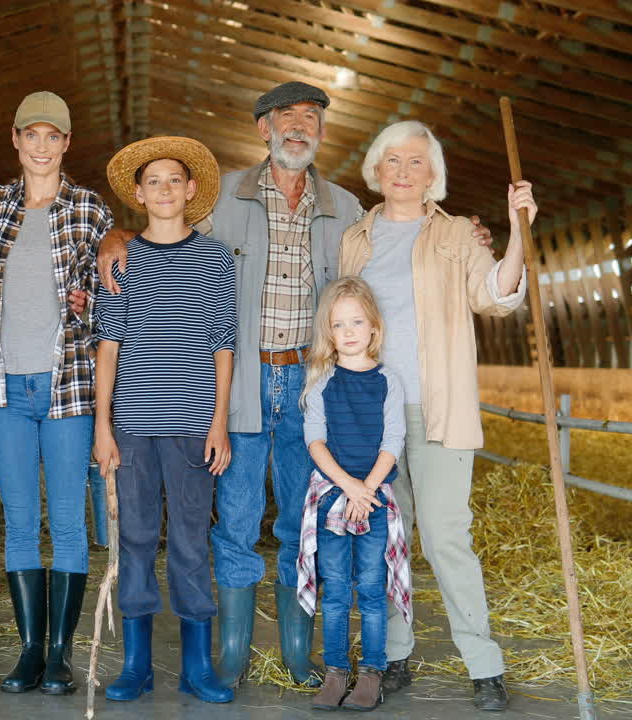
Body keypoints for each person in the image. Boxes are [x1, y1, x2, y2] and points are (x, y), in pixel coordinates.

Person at [97, 82, 493, 690]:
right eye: (286, 116)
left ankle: (297, 652)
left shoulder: (347, 210)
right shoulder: (220, 197)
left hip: (312, 386)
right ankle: (230, 654)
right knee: (234, 517)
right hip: (238, 379)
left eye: (312, 117)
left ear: (323, 134)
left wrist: (471, 234)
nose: (299, 126)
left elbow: (397, 251)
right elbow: (161, 228)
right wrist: (112, 237)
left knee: (300, 520)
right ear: (263, 128)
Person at [340, 119, 535, 711]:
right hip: (371, 413)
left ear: (434, 176)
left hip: (439, 408)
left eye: (416, 162)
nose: (403, 171)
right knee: (386, 536)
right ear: (376, 169)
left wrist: (518, 232)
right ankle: (392, 655)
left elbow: (496, 298)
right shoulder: (355, 238)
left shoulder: (457, 237)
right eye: (393, 160)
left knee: (447, 536)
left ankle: (482, 662)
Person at [93, 136, 237, 704]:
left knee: (190, 538)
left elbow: (223, 345)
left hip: (193, 421)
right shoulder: (122, 259)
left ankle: (198, 666)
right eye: (153, 181)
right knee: (132, 536)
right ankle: (136, 664)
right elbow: (109, 344)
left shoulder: (215, 258)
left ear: (192, 189)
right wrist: (103, 426)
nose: (165, 190)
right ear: (138, 193)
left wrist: (219, 423)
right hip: (131, 421)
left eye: (175, 180)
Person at [0, 91, 113, 696]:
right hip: (7, 387)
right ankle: (28, 650)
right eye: (30, 135)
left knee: (65, 522)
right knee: (18, 522)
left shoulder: (89, 210)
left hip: (68, 388)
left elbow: (116, 284)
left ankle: (60, 652)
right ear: (15, 139)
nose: (41, 146)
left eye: (52, 137)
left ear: (66, 143)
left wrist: (93, 295)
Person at [293, 276, 412, 712]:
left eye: (356, 322)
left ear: (374, 328)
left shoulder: (389, 381)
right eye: (338, 323)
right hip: (333, 500)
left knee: (371, 587)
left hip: (375, 501)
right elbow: (315, 442)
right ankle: (336, 671)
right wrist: (349, 488)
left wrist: (368, 491)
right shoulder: (322, 382)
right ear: (329, 330)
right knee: (338, 588)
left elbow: (392, 441)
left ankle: (372, 672)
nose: (348, 331)